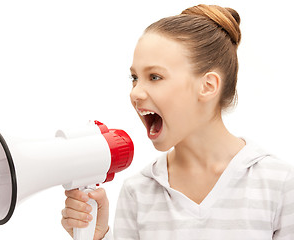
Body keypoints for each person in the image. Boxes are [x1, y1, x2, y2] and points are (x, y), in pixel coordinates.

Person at [61, 4, 294, 239]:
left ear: (208, 86)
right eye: (134, 78)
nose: (135, 93)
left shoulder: (278, 183)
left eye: (155, 77)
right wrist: (97, 236)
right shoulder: (139, 191)